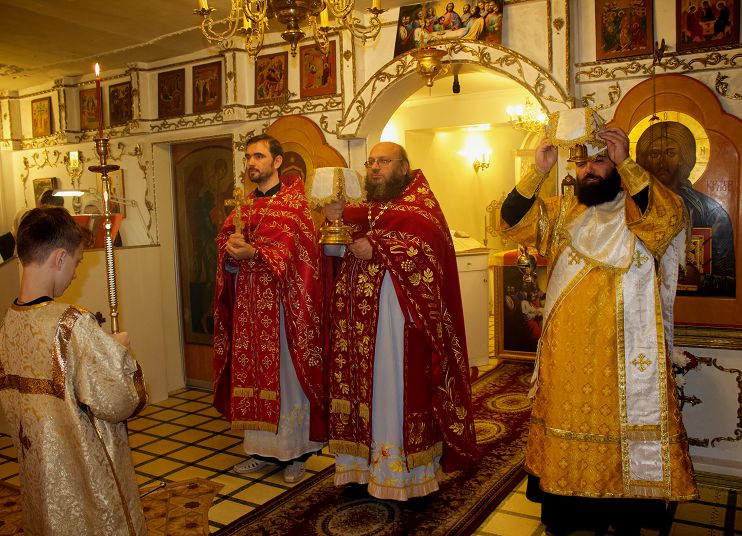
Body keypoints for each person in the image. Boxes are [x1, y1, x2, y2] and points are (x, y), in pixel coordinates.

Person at [499, 125, 698, 534]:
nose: (589, 170)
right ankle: (567, 516)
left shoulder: (638, 211)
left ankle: (624, 519)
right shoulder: (560, 212)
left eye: (600, 161)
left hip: (623, 352)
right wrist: (537, 172)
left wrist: (627, 162)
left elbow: (669, 219)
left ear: (618, 166)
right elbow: (510, 223)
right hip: (567, 355)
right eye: (583, 162)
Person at [323, 142, 480, 501]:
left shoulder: (420, 207)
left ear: (404, 167)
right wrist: (334, 221)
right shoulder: (363, 208)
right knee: (362, 388)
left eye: (384, 161)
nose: (375, 167)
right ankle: (360, 468)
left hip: (398, 321)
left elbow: (428, 250)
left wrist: (379, 247)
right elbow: (333, 250)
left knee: (391, 386)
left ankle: (403, 476)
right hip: (357, 324)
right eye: (371, 162)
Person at [0, 207, 147, 535]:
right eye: (78, 262)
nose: (76, 273)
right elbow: (117, 402)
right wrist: (117, 352)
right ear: (60, 258)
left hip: (38, 474)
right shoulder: (70, 324)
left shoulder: (8, 323)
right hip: (82, 477)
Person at [212, 134, 325, 484]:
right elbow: (226, 249)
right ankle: (260, 451)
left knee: (287, 379)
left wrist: (256, 253)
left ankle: (297, 454)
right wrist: (229, 253)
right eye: (249, 157)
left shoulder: (293, 205)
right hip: (249, 308)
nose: (252, 163)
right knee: (252, 375)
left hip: (283, 308)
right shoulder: (242, 206)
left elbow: (299, 256)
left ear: (277, 162)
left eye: (259, 156)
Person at [636, 120, 735, 296]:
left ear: (684, 158)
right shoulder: (632, 210)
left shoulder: (711, 214)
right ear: (645, 161)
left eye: (670, 152)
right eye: (654, 154)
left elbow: (731, 282)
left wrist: (701, 280)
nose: (661, 161)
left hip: (696, 309)